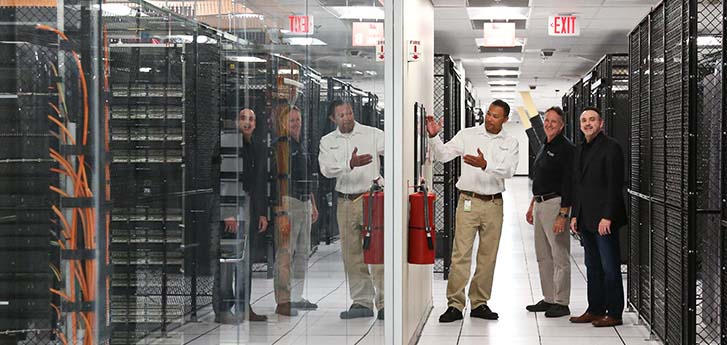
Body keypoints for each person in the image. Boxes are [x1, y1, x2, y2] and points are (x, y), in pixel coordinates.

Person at [427, 99, 520, 323]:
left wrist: (485, 165)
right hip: (468, 201)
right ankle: (455, 305)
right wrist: (433, 137)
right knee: (461, 254)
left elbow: (508, 171)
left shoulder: (511, 141)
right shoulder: (468, 134)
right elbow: (443, 155)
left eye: (496, 116)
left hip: (494, 204)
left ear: (505, 120)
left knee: (488, 256)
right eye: (489, 113)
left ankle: (479, 303)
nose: (490, 118)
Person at [318, 99, 385, 320]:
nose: (347, 118)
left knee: (377, 252)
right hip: (345, 201)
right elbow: (326, 169)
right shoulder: (328, 141)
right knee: (352, 254)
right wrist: (350, 164)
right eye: (342, 115)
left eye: (349, 113)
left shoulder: (372, 134)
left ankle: (385, 302)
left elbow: (397, 152)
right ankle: (362, 302)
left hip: (371, 199)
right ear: (333, 119)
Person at [568, 107, 627, 327]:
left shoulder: (611, 147)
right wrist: (576, 215)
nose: (587, 123)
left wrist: (608, 216)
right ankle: (594, 309)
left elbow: (615, 184)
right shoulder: (580, 149)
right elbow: (578, 185)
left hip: (604, 219)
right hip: (586, 218)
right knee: (592, 266)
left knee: (610, 267)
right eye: (584, 120)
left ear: (601, 123)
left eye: (592, 119)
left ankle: (614, 313)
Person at [213, 108, 268, 324]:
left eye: (251, 119)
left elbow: (259, 182)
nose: (247, 122)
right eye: (243, 118)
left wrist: (262, 212)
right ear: (237, 121)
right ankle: (224, 308)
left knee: (244, 259)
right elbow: (223, 179)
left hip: (248, 205)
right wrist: (228, 213)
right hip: (232, 206)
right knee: (228, 259)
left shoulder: (254, 146)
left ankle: (245, 306)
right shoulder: (228, 143)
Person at [525, 106, 574, 318]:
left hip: (556, 204)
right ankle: (549, 298)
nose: (549, 124)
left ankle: (562, 302)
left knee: (559, 254)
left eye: (554, 121)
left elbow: (570, 182)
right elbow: (540, 178)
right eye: (547, 120)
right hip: (540, 204)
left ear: (562, 125)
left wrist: (563, 214)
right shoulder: (545, 144)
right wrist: (532, 205)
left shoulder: (566, 148)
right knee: (543, 255)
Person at [271, 105, 320, 316]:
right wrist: (280, 210)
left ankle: (296, 297)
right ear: (283, 123)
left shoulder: (303, 145)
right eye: (291, 120)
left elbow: (306, 177)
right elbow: (277, 179)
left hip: (304, 204)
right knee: (285, 254)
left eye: (298, 120)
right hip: (288, 203)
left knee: (302, 253)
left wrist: (313, 204)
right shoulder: (280, 147)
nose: (296, 124)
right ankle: (283, 301)